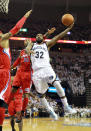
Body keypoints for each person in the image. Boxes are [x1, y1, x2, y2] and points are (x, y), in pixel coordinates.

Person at [26, 23, 77, 120]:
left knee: (58, 84)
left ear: (43, 37)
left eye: (41, 35)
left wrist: (68, 28)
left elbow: (58, 36)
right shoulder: (32, 45)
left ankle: (66, 106)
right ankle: (51, 112)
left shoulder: (46, 45)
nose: (39, 36)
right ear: (35, 38)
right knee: (41, 96)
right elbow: (27, 49)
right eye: (37, 35)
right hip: (36, 73)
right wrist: (29, 51)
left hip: (47, 68)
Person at [0, 10, 32, 131]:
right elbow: (17, 28)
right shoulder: (3, 38)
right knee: (2, 103)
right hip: (3, 73)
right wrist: (24, 16)